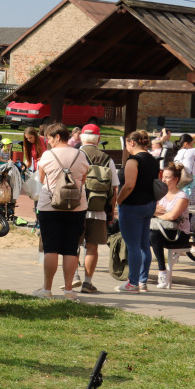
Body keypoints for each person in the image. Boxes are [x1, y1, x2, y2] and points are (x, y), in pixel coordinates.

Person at [31, 123, 89, 301]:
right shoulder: (80, 154)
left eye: (49, 138)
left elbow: (40, 178)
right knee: (71, 249)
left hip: (50, 205)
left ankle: (47, 289)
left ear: (57, 137)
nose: (48, 142)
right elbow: (84, 179)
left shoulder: (48, 155)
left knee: (50, 248)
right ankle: (69, 291)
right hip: (76, 206)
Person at [114, 130, 160, 293]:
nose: (126, 147)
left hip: (132, 205)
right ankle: (142, 281)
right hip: (149, 204)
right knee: (143, 244)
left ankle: (132, 282)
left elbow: (129, 185)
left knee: (133, 245)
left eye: (126, 144)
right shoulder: (153, 160)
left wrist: (118, 200)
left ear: (132, 143)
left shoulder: (133, 160)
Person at [78, 124, 120, 294]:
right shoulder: (107, 159)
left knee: (73, 244)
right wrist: (111, 212)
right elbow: (114, 188)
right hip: (99, 209)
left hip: (75, 208)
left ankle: (73, 277)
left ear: (81, 137)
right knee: (92, 247)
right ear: (98, 138)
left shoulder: (76, 156)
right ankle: (87, 283)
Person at [149, 164, 191, 289]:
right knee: (142, 235)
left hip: (178, 233)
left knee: (153, 235)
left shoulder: (182, 196)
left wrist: (156, 213)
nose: (164, 180)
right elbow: (152, 210)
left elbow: (173, 216)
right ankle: (137, 273)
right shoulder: (161, 194)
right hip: (161, 229)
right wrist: (156, 212)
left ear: (175, 179)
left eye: (167, 177)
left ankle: (162, 272)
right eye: (163, 177)